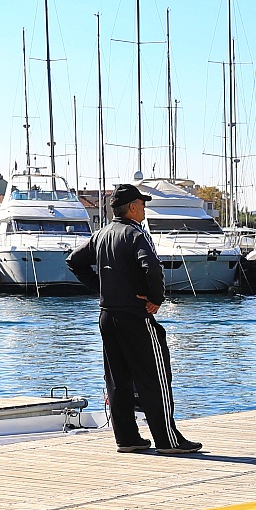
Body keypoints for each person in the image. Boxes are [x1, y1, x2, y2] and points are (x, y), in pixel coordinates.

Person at [68, 185, 202, 454]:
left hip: (108, 315)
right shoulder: (136, 234)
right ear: (132, 207)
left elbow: (74, 261)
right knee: (155, 376)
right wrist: (156, 299)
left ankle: (127, 438)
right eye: (142, 204)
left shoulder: (101, 234)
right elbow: (152, 267)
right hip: (135, 315)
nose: (144, 209)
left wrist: (100, 286)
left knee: (117, 379)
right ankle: (168, 440)